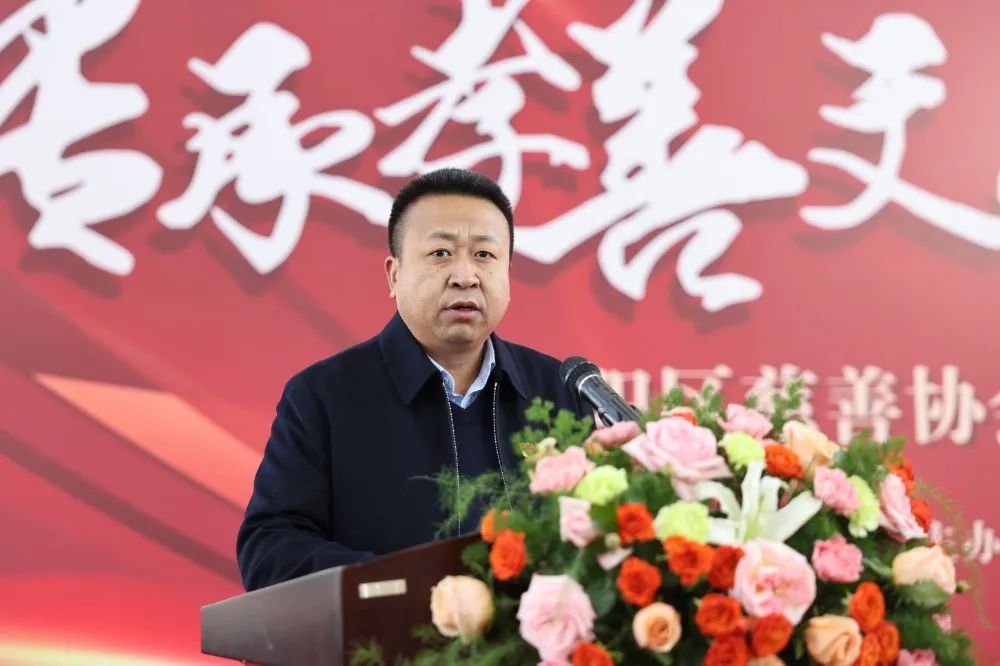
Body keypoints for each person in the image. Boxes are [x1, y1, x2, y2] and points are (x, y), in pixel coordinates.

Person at [236, 168, 589, 591]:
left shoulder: (559, 390)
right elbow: (270, 550)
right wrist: (407, 588)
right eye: (440, 253)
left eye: (484, 255)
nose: (465, 276)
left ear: (507, 273)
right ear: (394, 275)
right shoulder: (324, 397)